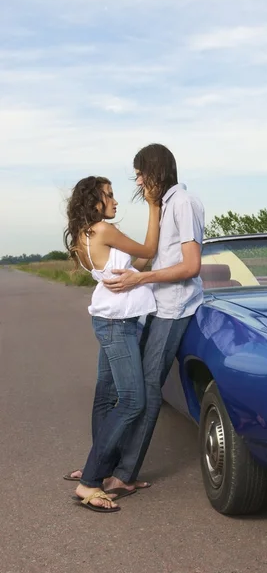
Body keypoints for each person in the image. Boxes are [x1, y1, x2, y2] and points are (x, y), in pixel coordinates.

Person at [101, 143, 205, 495]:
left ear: (157, 171)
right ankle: (106, 464)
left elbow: (191, 266)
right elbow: (154, 258)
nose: (139, 180)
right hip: (156, 306)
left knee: (146, 389)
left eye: (142, 173)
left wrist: (139, 279)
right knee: (130, 390)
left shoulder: (185, 204)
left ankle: (125, 474)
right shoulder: (164, 206)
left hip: (174, 308)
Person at [63, 175, 160, 512]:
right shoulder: (103, 231)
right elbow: (148, 250)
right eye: (109, 195)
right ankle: (89, 482)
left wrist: (143, 274)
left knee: (106, 396)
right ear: (94, 202)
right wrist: (153, 205)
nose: (116, 201)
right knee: (133, 400)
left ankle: (101, 469)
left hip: (110, 319)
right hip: (117, 324)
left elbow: (137, 265)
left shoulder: (85, 234)